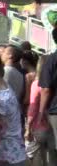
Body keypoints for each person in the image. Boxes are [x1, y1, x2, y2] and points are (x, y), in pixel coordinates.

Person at [26, 55, 57, 166]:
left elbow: (33, 107)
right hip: (52, 123)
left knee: (38, 155)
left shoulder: (37, 84)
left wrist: (28, 127)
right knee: (53, 154)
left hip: (41, 124)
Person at [39, 27, 57, 162]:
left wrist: (40, 112)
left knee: (54, 148)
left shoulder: (51, 60)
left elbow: (46, 89)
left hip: (55, 110)